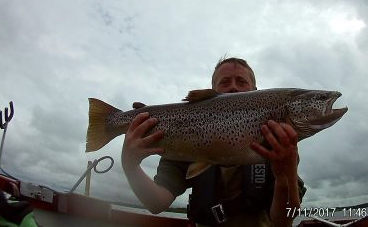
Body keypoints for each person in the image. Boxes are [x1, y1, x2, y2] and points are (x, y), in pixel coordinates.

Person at [122, 57, 306, 227]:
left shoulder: (280, 143)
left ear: (255, 92)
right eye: (225, 82)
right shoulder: (183, 138)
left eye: (241, 81)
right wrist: (130, 166)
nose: (233, 87)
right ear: (212, 92)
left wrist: (285, 176)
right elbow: (156, 203)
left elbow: (283, 221)